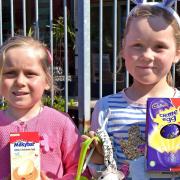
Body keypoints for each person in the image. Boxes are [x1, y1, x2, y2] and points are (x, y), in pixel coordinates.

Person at [83, 0, 180, 179]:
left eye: (159, 47)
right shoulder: (107, 108)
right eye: (137, 45)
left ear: (177, 53)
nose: (147, 56)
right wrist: (96, 157)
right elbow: (99, 174)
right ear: (123, 50)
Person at [0, 36, 82, 179]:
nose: (20, 81)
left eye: (30, 74)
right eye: (10, 73)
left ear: (47, 81)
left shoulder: (61, 123)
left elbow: (79, 168)